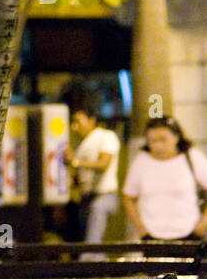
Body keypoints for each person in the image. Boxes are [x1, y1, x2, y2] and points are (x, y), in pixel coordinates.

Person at [122, 116, 207, 241]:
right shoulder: (141, 161)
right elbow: (128, 197)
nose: (158, 146)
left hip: (189, 233)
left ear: (176, 137)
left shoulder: (192, 157)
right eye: (152, 141)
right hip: (152, 236)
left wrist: (202, 225)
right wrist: (141, 229)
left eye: (163, 140)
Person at [65, 106, 121, 250]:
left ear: (91, 120)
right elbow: (81, 177)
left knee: (93, 241)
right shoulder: (80, 144)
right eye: (73, 123)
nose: (74, 127)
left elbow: (103, 164)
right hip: (86, 198)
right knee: (84, 238)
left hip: (104, 196)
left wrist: (75, 162)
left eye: (78, 121)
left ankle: (92, 263)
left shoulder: (106, 136)